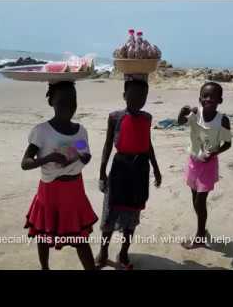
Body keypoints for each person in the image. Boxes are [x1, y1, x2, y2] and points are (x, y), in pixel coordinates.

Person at [21, 81, 98, 270]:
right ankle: (44, 267)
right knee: (44, 233)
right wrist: (49, 158)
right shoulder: (42, 132)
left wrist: (75, 156)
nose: (69, 105)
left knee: (80, 238)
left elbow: (86, 155)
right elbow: (26, 163)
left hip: (74, 191)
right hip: (50, 191)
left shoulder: (80, 131)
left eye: (73, 100)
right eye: (63, 101)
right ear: (51, 102)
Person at [96, 78, 162, 270]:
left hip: (140, 169)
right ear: (125, 96)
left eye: (143, 96)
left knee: (133, 213)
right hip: (120, 168)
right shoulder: (115, 117)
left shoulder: (147, 118)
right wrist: (102, 170)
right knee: (111, 211)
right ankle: (104, 251)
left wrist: (156, 168)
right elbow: (108, 144)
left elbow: (147, 144)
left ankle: (124, 252)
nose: (138, 99)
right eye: (133, 95)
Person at [177, 81, 232, 249]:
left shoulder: (222, 120)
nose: (208, 99)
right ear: (199, 98)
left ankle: (200, 236)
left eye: (212, 97)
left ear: (220, 100)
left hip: (208, 165)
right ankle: (202, 230)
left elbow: (227, 144)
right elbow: (180, 123)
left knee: (200, 201)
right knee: (195, 200)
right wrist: (181, 113)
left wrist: (214, 153)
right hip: (193, 162)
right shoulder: (195, 112)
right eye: (204, 96)